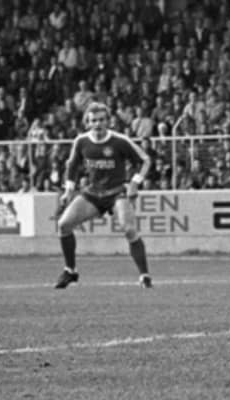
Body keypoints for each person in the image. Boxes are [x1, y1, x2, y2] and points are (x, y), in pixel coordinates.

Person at [55, 102, 153, 289]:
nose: (98, 124)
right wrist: (68, 190)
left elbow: (145, 160)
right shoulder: (81, 141)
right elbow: (72, 166)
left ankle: (145, 276)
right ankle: (70, 271)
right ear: (87, 123)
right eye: (93, 120)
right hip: (93, 193)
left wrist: (135, 182)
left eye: (101, 120)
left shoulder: (120, 141)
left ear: (108, 121)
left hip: (117, 192)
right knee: (63, 225)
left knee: (129, 230)